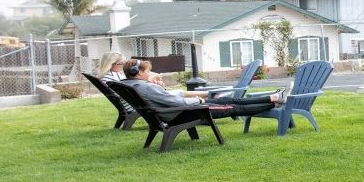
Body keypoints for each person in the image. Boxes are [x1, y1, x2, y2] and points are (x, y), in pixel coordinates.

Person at [118, 59, 283, 121]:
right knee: (234, 108)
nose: (149, 73)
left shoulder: (133, 86)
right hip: (187, 111)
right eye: (146, 71)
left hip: (180, 110)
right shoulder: (144, 87)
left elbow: (165, 99)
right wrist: (197, 100)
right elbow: (171, 101)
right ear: (138, 72)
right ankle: (274, 103)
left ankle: (272, 98)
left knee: (229, 100)